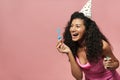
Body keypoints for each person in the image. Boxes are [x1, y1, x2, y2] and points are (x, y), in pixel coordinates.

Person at [56, 11, 120, 80]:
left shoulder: (101, 45)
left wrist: (111, 65)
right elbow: (78, 77)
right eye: (71, 26)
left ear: (87, 29)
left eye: (77, 26)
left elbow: (116, 63)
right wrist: (69, 52)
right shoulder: (73, 46)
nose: (72, 29)